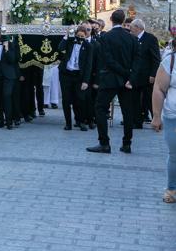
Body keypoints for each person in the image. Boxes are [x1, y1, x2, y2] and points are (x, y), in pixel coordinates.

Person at [87, 9, 139, 154]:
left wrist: (123, 72)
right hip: (127, 81)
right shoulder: (132, 39)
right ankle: (127, 144)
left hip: (109, 79)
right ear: (123, 21)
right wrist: (130, 76)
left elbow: (107, 60)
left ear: (111, 19)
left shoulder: (106, 37)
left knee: (100, 108)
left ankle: (104, 143)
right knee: (128, 112)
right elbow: (137, 61)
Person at [150, 48, 176, 203]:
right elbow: (159, 89)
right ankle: (172, 189)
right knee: (175, 155)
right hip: (174, 116)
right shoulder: (170, 61)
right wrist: (156, 116)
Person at [58, 25, 93, 131]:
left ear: (86, 36)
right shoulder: (70, 41)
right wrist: (66, 36)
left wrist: (85, 81)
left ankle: (81, 121)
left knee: (80, 99)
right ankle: (68, 123)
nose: (80, 38)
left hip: (79, 76)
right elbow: (60, 48)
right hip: (66, 74)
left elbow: (88, 65)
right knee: (66, 100)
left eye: (82, 36)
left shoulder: (88, 46)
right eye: (78, 35)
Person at [129, 19, 160, 127]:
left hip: (147, 75)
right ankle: (137, 121)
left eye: (132, 27)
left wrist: (153, 74)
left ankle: (157, 119)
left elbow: (156, 58)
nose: (130, 29)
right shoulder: (132, 38)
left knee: (149, 99)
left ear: (138, 27)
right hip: (135, 75)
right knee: (135, 99)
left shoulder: (150, 39)